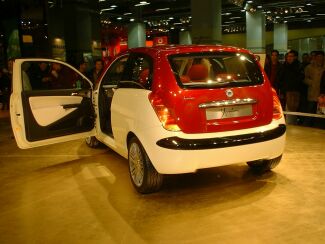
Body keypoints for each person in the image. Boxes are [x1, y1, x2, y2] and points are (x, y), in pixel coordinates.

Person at [278, 50, 304, 123]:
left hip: (294, 92)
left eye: (291, 56)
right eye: (288, 56)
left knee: (291, 109)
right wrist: (282, 90)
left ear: (295, 57)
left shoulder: (298, 66)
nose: (289, 58)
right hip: (285, 91)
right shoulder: (284, 66)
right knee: (285, 109)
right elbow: (280, 79)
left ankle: (291, 125)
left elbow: (299, 79)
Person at [304, 51, 325, 125]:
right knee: (310, 110)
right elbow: (305, 78)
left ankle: (318, 125)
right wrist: (312, 83)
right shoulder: (309, 67)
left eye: (321, 57)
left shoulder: (324, 67)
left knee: (321, 112)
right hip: (312, 92)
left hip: (322, 93)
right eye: (318, 57)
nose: (320, 58)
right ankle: (307, 125)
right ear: (315, 57)